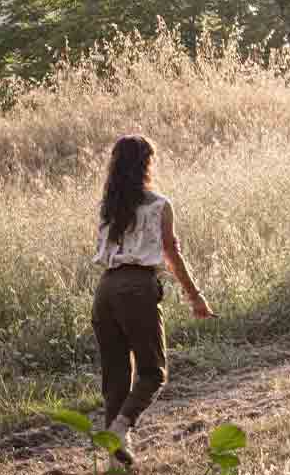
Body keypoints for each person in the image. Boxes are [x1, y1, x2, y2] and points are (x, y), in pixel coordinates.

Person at [90, 135, 216, 468]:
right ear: (147, 164)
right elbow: (171, 254)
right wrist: (196, 296)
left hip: (105, 290)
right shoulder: (159, 205)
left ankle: (115, 459)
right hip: (137, 288)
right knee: (153, 373)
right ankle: (119, 428)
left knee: (115, 378)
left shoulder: (108, 207)